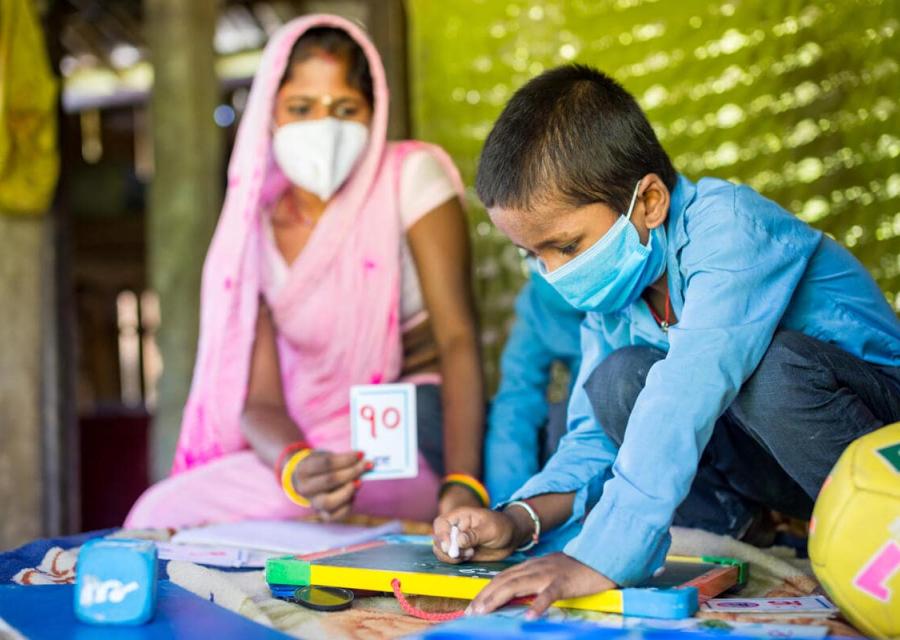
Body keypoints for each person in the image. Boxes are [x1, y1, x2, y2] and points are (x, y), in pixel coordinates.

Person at [432, 64, 900, 617]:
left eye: (566, 246)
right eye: (535, 256)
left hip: (876, 439)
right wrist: (516, 519)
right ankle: (748, 532)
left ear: (649, 201)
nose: (553, 273)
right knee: (618, 382)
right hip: (784, 470)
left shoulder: (729, 229)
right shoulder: (619, 290)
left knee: (768, 372)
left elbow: (688, 391)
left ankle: (878, 535)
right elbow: (591, 437)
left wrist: (601, 559)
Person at [126, 15, 486, 529]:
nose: (325, 127)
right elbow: (261, 401)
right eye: (301, 108)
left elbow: (456, 336)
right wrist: (297, 467)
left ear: (373, 111)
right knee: (157, 512)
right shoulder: (253, 231)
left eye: (345, 109)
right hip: (306, 437)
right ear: (268, 115)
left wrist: (463, 483)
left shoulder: (409, 178)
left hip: (406, 437)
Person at [484, 266, 583, 504]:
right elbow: (515, 406)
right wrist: (510, 511)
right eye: (530, 253)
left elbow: (515, 402)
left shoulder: (540, 294)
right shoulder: (539, 300)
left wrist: (507, 505)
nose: (547, 260)